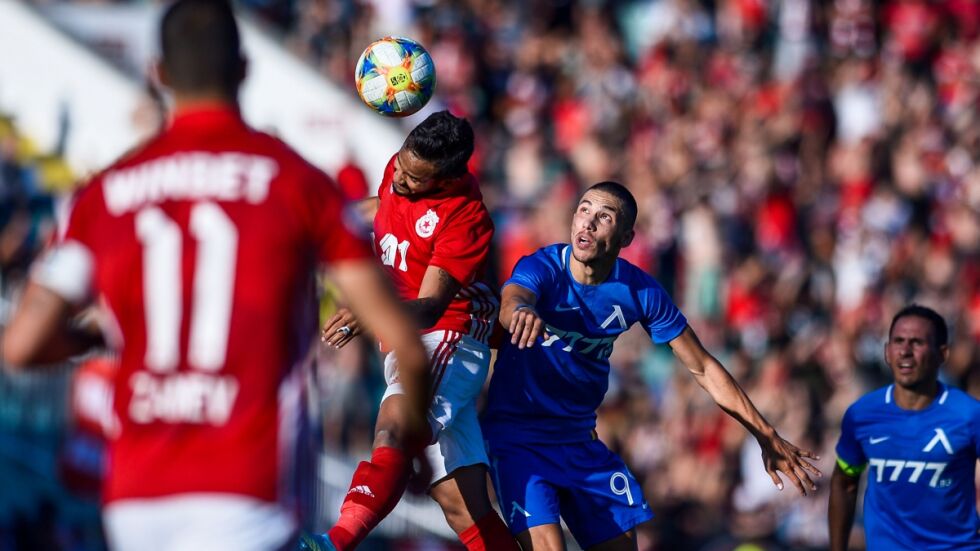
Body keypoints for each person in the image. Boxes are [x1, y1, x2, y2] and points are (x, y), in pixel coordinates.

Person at [0, 1, 431, 550]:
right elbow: (407, 349)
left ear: (158, 74)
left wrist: (105, 334)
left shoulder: (105, 193)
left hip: (137, 499)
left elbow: (20, 346)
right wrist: (409, 451)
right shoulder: (296, 182)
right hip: (250, 490)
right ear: (244, 69)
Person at [481, 181, 822, 551]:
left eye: (603, 216)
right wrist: (520, 311)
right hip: (519, 438)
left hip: (579, 441)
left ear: (626, 237)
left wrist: (765, 434)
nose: (588, 223)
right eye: (583, 209)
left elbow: (703, 367)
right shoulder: (544, 266)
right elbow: (514, 297)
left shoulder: (639, 291)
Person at [301, 111, 518, 551]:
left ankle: (333, 544)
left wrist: (373, 311)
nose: (401, 177)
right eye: (400, 164)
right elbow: (383, 206)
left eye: (416, 178)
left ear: (447, 178)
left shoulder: (465, 216)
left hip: (448, 336)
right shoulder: (401, 169)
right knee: (462, 506)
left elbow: (433, 304)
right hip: (413, 339)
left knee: (392, 431)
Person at [829, 305, 980, 550]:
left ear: (942, 354)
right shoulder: (863, 414)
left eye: (917, 342)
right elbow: (845, 482)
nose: (905, 351)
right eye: (898, 341)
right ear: (887, 352)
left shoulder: (969, 415)